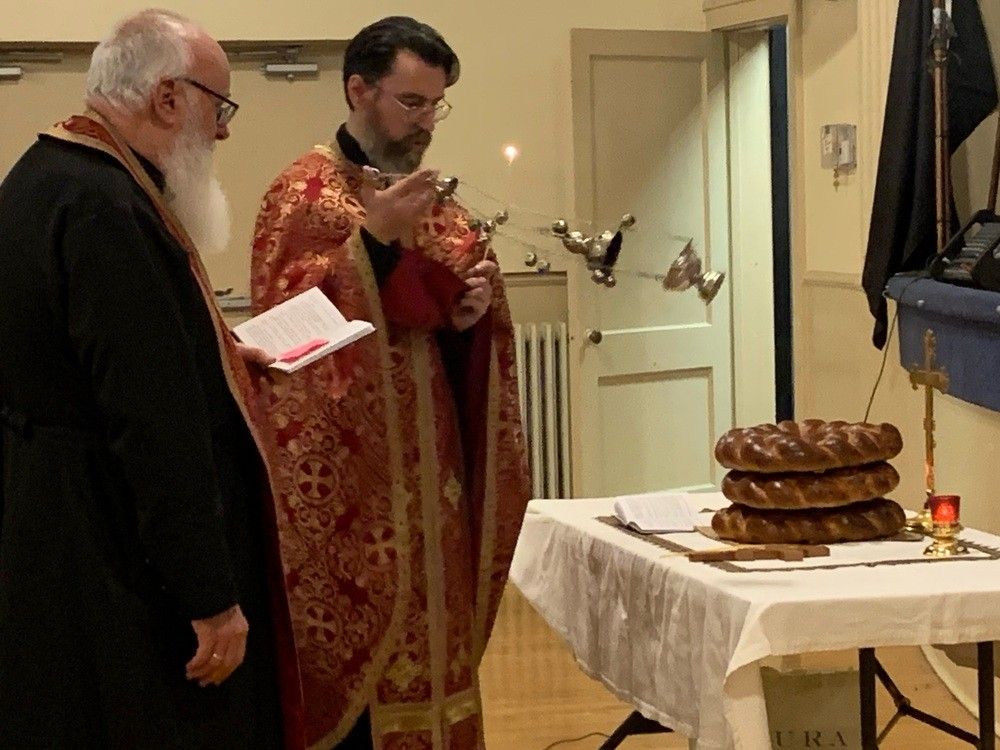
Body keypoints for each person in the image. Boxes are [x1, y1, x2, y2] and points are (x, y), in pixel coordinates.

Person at [0, 10, 300, 749]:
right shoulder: (107, 207)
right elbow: (152, 422)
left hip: (49, 519)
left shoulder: (46, 174)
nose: (223, 131)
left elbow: (90, 352)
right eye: (218, 106)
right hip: (112, 554)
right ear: (168, 99)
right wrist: (210, 598)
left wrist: (219, 351)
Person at [250, 15, 531, 749]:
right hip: (353, 491)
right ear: (359, 90)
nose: (427, 122)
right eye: (412, 103)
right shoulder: (302, 194)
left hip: (433, 483)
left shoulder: (430, 201)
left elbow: (454, 333)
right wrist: (368, 248)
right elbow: (283, 336)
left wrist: (471, 318)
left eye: (436, 104)